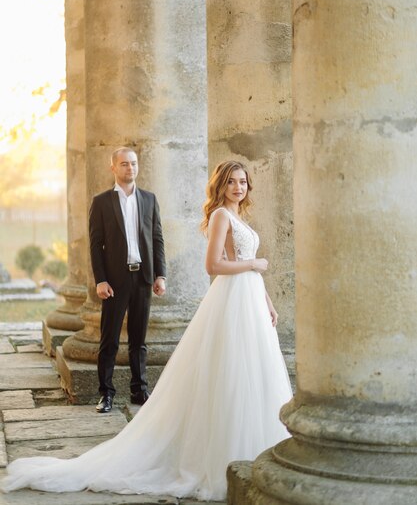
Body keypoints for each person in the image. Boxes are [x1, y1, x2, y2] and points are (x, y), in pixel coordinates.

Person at [1, 160, 293, 501]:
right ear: (221, 186)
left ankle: (257, 445)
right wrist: (253, 264)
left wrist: (267, 301)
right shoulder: (220, 217)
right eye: (231, 182)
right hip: (231, 302)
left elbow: (250, 271)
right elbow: (213, 266)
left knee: (253, 374)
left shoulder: (240, 217)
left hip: (251, 300)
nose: (238, 188)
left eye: (243, 182)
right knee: (231, 373)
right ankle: (222, 455)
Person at [89, 147, 166, 412]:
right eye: (123, 164)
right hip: (114, 280)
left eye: (133, 163)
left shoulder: (149, 199)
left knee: (138, 340)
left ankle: (139, 390)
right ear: (113, 168)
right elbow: (95, 244)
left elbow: (157, 238)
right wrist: (100, 280)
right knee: (109, 339)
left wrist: (160, 275)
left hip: (143, 278)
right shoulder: (101, 202)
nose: (129, 168)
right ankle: (106, 393)